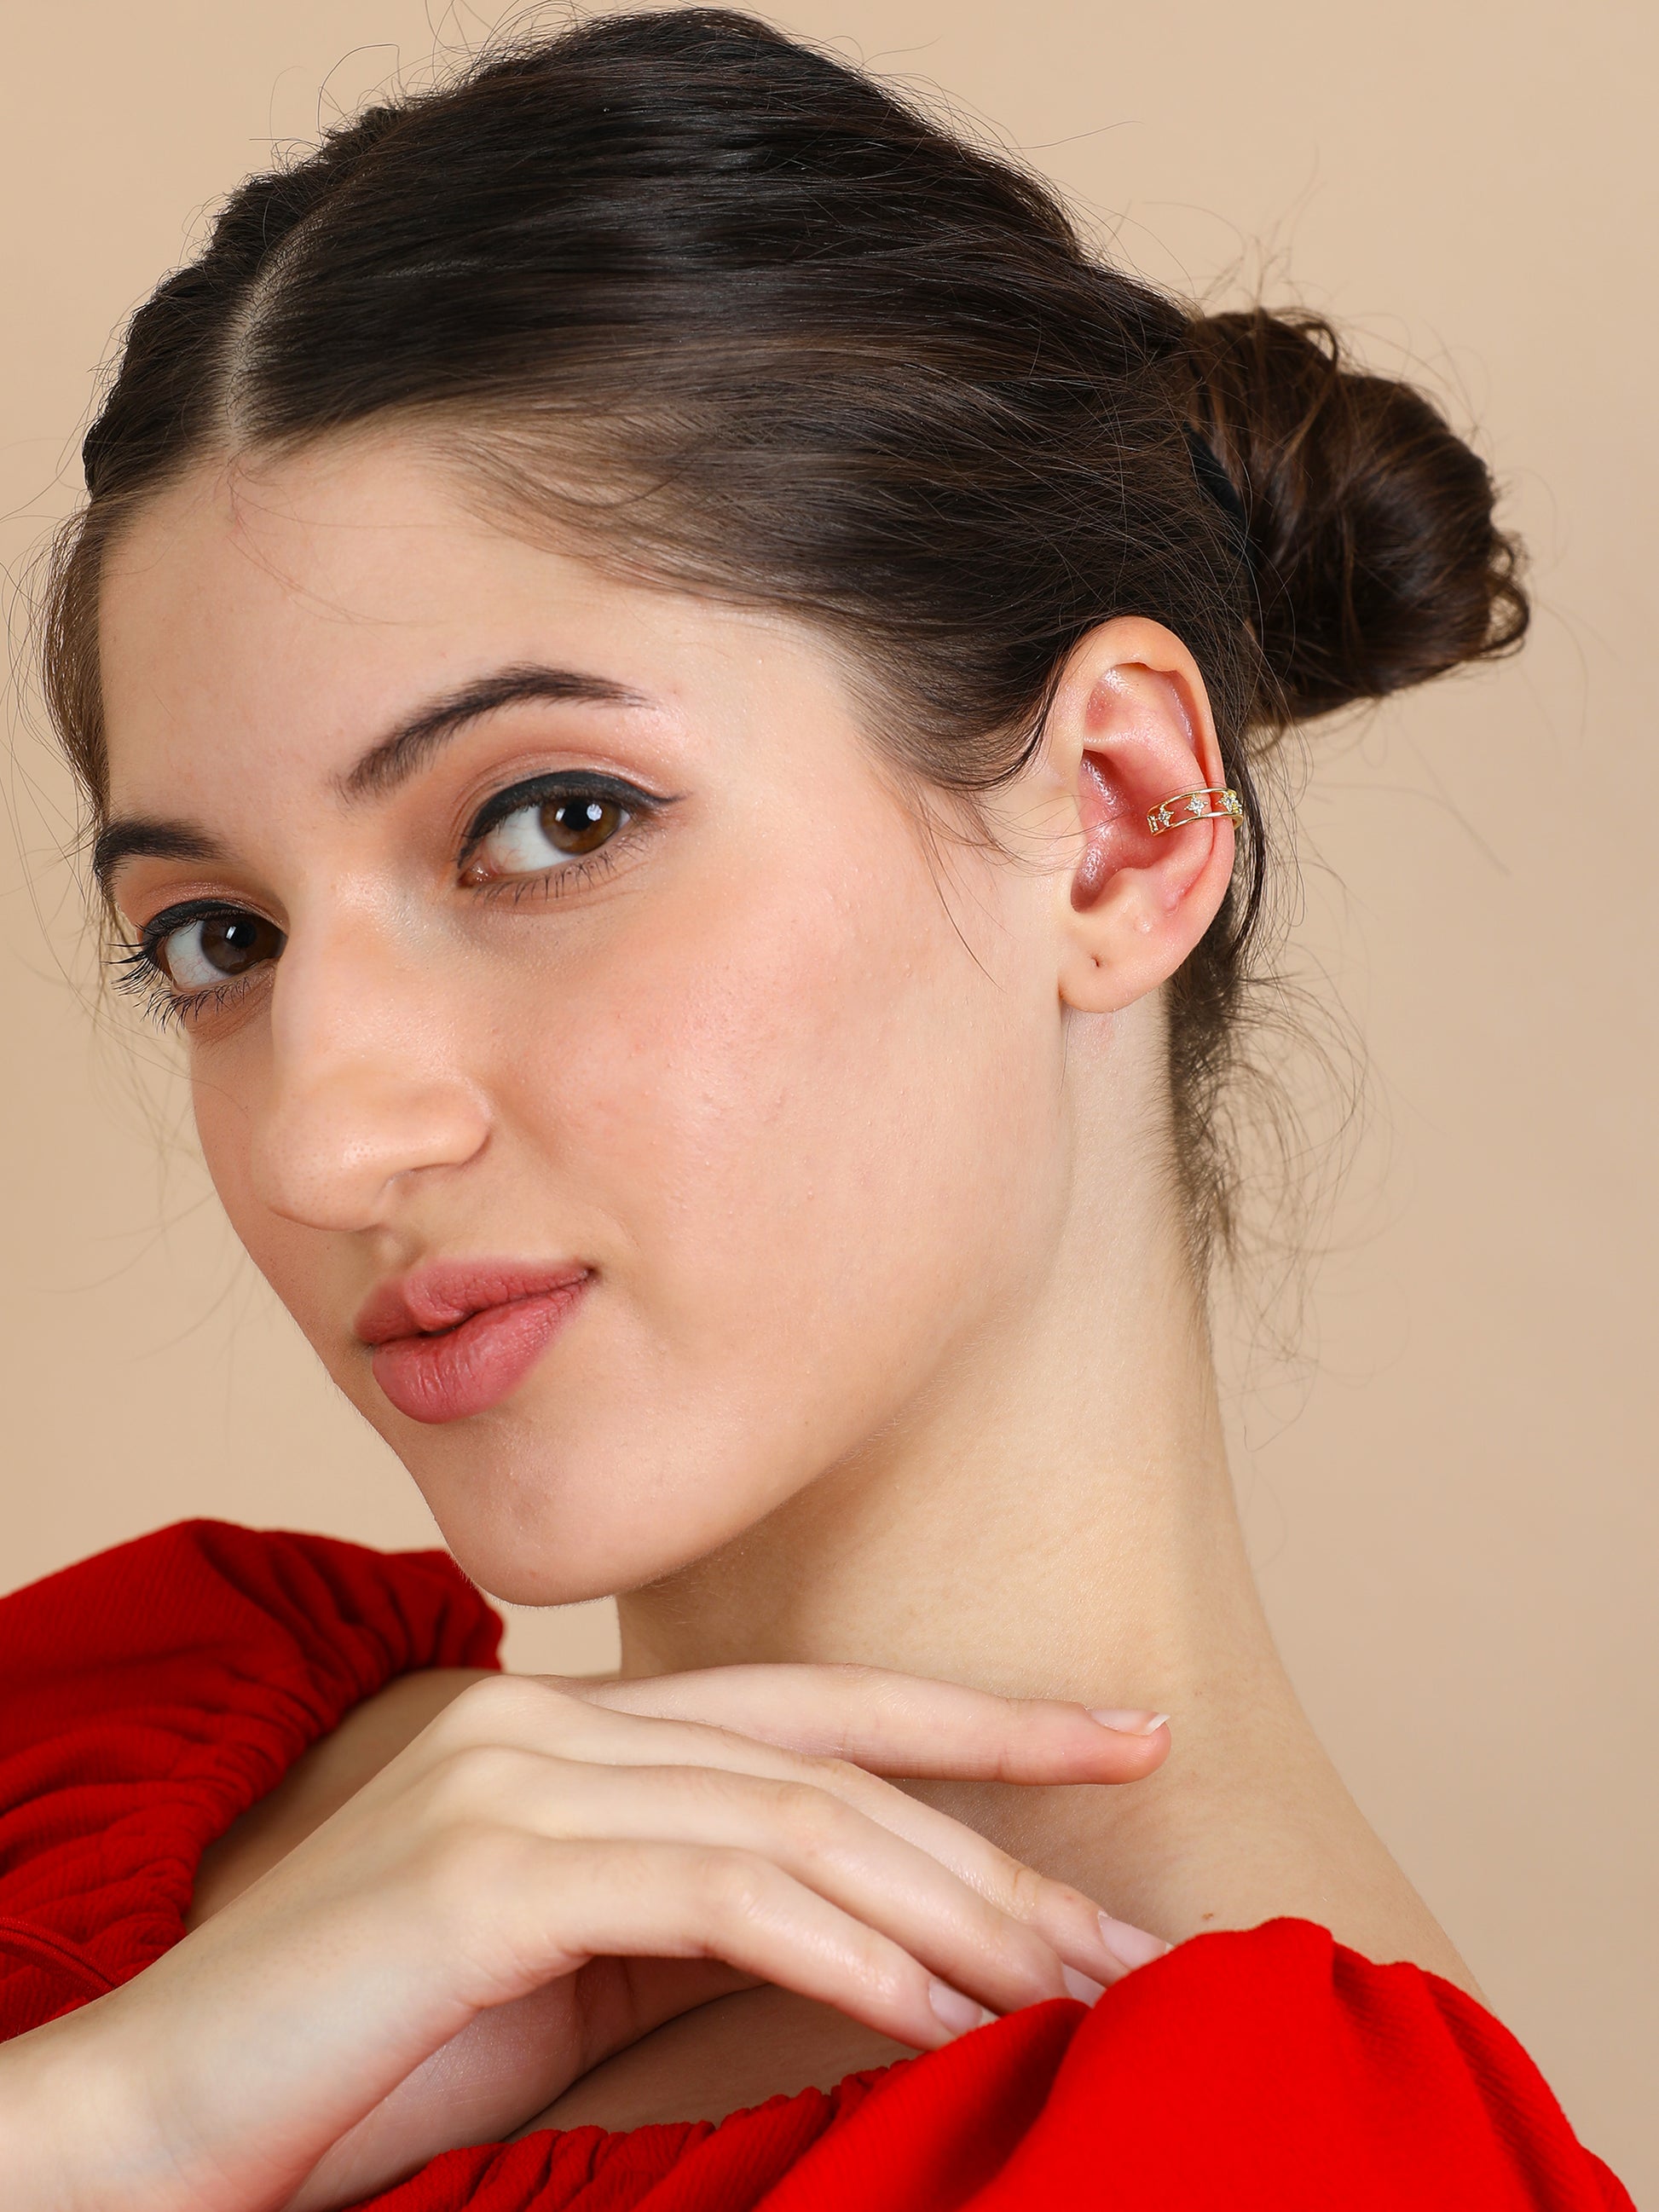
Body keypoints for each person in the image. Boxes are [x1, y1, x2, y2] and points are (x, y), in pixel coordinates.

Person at [0, 9, 1633, 2208]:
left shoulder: (1265, 2165)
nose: (317, 1140)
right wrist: (114, 2121)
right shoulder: (110, 1755)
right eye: (217, 940)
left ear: (1121, 825)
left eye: (552, 818)